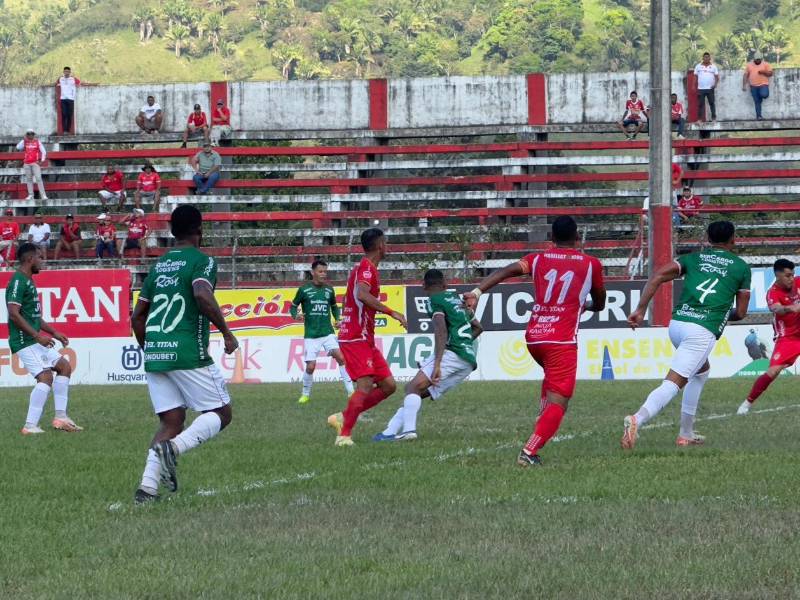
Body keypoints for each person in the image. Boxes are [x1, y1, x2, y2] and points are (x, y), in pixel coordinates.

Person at [464, 216, 606, 466]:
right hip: (561, 341)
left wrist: (477, 292)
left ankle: (540, 426)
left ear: (551, 239)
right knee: (560, 400)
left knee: (550, 385)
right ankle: (529, 451)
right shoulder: (591, 264)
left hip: (535, 338)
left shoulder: (538, 259)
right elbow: (601, 301)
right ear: (577, 239)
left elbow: (506, 271)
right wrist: (586, 306)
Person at [131, 204, 239, 503]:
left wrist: (149, 348)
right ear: (200, 230)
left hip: (155, 353)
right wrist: (227, 333)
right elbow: (202, 294)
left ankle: (147, 489)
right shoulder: (201, 261)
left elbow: (137, 315)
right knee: (221, 413)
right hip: (187, 350)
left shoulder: (160, 266)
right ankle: (173, 449)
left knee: (171, 420)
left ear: (171, 232)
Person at [622, 220, 751, 449]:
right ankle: (636, 419)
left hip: (678, 325)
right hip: (701, 331)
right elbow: (740, 313)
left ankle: (686, 434)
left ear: (709, 240)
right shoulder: (740, 267)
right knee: (673, 383)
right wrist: (718, 311)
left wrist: (641, 309)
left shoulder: (693, 258)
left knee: (701, 372)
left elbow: (657, 276)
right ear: (733, 239)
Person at [376, 269, 483, 442]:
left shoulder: (434, 300)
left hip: (452, 353)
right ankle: (390, 430)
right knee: (418, 392)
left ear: (424, 285)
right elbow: (478, 327)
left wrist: (438, 363)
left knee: (411, 388)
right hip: (468, 361)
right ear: (445, 284)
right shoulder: (457, 300)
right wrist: (463, 343)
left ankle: (409, 431)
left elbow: (441, 330)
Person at [327, 228, 407, 447]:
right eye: (386, 242)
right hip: (355, 337)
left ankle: (343, 417)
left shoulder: (365, 268)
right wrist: (393, 312)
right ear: (381, 245)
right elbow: (362, 294)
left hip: (364, 338)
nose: (387, 246)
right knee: (364, 386)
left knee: (389, 386)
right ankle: (343, 435)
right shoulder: (367, 269)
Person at [6, 242, 82, 434]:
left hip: (34, 338)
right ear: (30, 259)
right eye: (40, 257)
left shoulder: (29, 281)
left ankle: (61, 418)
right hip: (24, 340)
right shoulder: (17, 281)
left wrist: (53, 332)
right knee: (45, 377)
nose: (42, 261)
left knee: (64, 367)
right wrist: (37, 336)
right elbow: (14, 313)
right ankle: (30, 426)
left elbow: (34, 317)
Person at [738, 259, 800, 415]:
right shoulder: (772, 293)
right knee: (773, 371)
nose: (791, 279)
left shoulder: (798, 283)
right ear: (778, 275)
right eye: (788, 275)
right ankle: (747, 403)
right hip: (788, 338)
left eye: (793, 275)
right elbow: (776, 309)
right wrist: (791, 308)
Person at [291, 259, 354, 404]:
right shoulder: (303, 290)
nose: (323, 274)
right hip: (311, 335)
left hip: (327, 332)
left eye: (325, 271)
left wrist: (338, 318)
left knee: (341, 357)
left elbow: (334, 306)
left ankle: (351, 391)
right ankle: (305, 394)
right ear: (313, 272)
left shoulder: (329, 290)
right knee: (311, 366)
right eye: (320, 271)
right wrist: (296, 315)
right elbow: (293, 306)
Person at [16, 129, 48, 201]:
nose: (30, 135)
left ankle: (43, 195)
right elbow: (18, 147)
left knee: (38, 178)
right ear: (27, 135)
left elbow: (44, 152)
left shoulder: (37, 142)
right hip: (27, 163)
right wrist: (24, 139)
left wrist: (42, 160)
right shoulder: (25, 142)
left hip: (35, 163)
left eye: (31, 134)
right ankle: (31, 195)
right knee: (29, 179)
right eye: (28, 134)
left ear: (33, 134)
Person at [742, 51, 773, 120]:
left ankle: (760, 96)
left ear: (761, 59)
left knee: (764, 95)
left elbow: (770, 74)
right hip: (753, 86)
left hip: (763, 85)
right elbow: (745, 75)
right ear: (754, 59)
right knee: (757, 102)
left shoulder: (766, 64)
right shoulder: (749, 65)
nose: (758, 60)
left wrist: (763, 72)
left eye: (759, 59)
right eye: (756, 59)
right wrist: (744, 85)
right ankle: (759, 116)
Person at [694, 52, 720, 122]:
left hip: (710, 89)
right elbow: (695, 77)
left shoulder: (713, 66)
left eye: (707, 57)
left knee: (712, 103)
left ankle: (714, 118)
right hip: (701, 89)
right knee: (700, 104)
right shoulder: (698, 66)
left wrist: (715, 84)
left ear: (709, 58)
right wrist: (694, 86)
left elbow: (717, 77)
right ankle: (699, 119)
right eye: (705, 57)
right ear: (703, 58)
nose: (706, 58)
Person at [56, 66, 80, 134]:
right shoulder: (60, 79)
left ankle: (68, 130)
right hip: (63, 98)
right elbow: (56, 83)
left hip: (71, 99)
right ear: (63, 72)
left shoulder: (73, 79)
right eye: (65, 71)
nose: (66, 73)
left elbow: (79, 83)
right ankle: (64, 130)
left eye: (68, 72)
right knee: (64, 114)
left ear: (70, 72)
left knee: (69, 115)